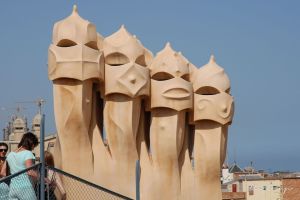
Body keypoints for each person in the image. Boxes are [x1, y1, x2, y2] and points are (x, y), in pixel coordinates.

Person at [1, 132, 39, 200]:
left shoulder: (10, 155)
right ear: (31, 143)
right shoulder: (28, 153)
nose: (33, 148)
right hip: (26, 188)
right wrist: (43, 178)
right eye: (34, 146)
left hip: (13, 189)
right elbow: (30, 171)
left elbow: (3, 173)